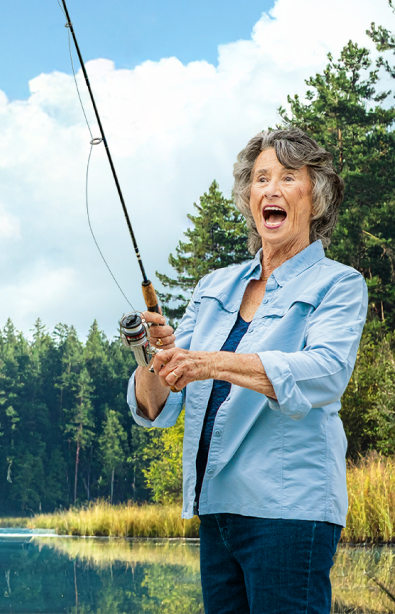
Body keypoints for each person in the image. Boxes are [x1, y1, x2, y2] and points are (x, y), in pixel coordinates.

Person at [128, 128, 367, 614]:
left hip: (289, 513)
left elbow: (325, 372)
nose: (271, 189)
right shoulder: (213, 286)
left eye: (288, 177)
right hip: (216, 511)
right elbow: (158, 404)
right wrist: (150, 356)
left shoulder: (339, 284)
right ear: (248, 197)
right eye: (261, 179)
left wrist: (209, 363)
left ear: (316, 198)